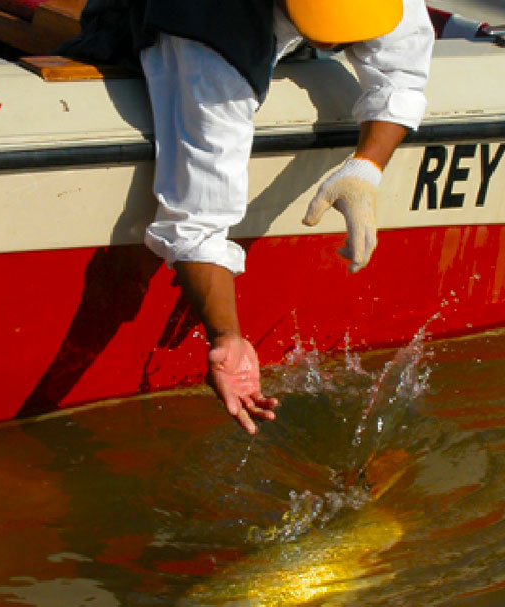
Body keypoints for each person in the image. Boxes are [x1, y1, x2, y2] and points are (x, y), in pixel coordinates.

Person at [62, 0, 434, 434]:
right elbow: (196, 220)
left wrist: (366, 167)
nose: (338, 42)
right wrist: (226, 337)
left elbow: (402, 69)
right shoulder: (210, 43)